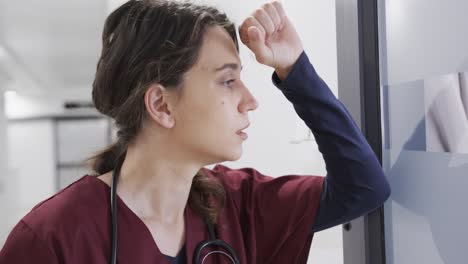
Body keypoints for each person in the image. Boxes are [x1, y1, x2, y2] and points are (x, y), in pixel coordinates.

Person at [0, 0, 391, 263]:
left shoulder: (239, 204)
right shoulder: (52, 238)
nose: (250, 100)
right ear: (161, 105)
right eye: (227, 81)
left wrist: (295, 71)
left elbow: (364, 187)